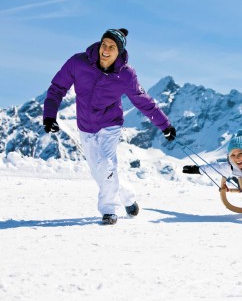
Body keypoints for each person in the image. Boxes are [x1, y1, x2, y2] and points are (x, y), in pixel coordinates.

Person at [43, 28, 177, 225]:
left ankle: (109, 210)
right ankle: (128, 196)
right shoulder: (78, 62)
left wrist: (164, 125)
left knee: (106, 163)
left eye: (112, 47)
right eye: (104, 44)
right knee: (99, 171)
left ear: (119, 52)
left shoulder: (126, 74)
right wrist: (49, 115)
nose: (106, 49)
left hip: (110, 124)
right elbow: (57, 88)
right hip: (85, 125)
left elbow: (143, 101)